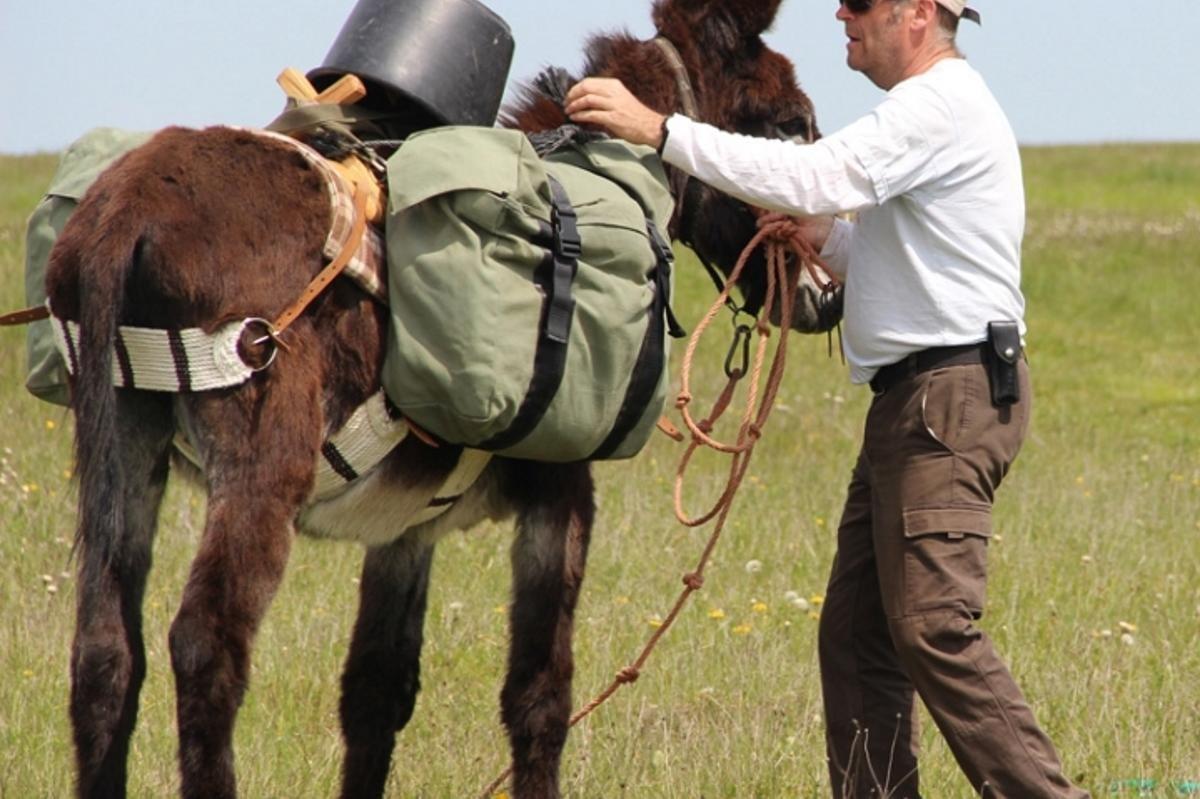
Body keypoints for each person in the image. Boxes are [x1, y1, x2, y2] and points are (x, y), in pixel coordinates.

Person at [565, 0, 1090, 796]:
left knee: (932, 627)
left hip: (943, 400)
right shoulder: (933, 111)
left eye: (861, 2)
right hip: (919, 402)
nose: (839, 13)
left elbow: (819, 174)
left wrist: (662, 131)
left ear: (918, 14)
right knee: (856, 638)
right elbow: (899, 257)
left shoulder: (934, 106)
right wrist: (823, 239)